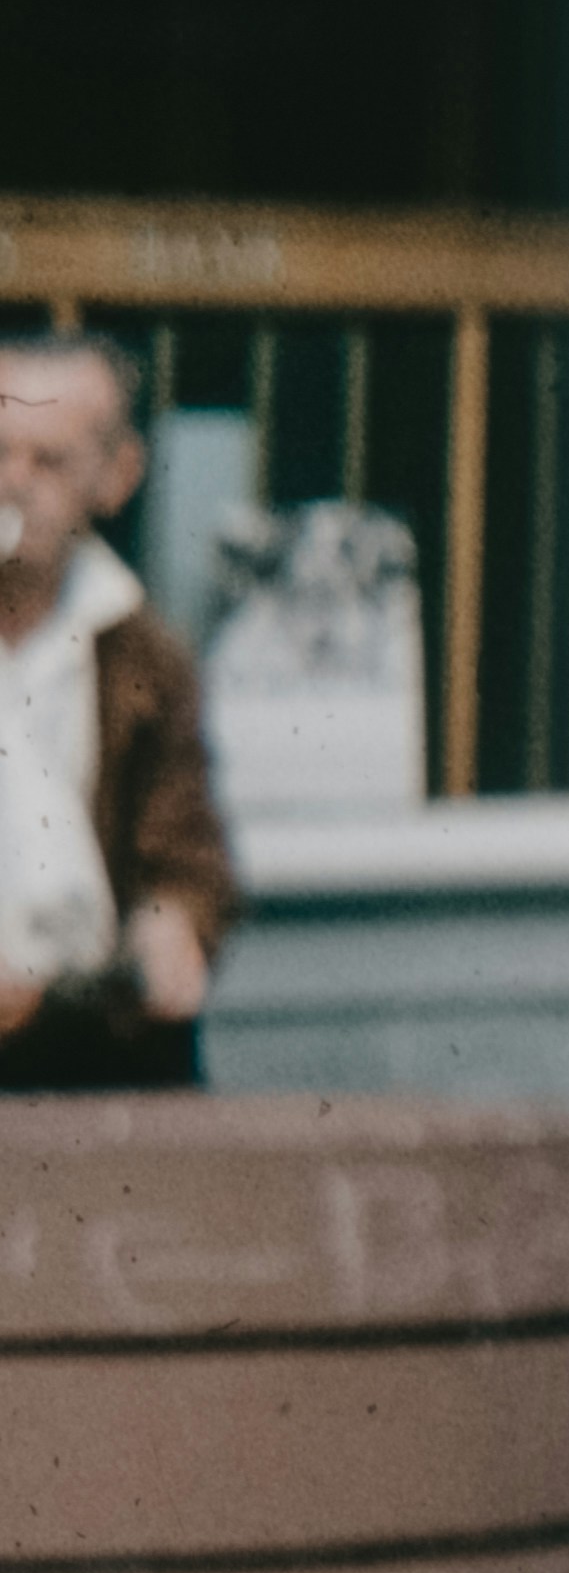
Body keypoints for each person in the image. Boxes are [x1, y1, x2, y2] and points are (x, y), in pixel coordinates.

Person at [0, 335, 237, 1090]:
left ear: (117, 475)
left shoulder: (146, 655)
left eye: (50, 460)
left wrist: (172, 927)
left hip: (88, 1049)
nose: (12, 481)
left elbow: (187, 858)